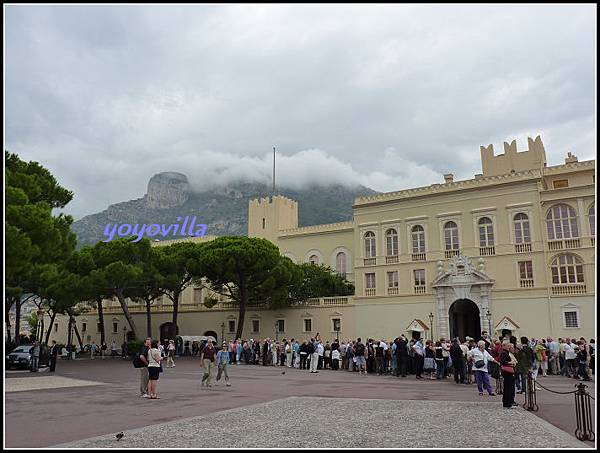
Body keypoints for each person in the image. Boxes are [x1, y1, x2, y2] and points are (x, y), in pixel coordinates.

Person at [499, 340, 518, 408]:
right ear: (504, 346)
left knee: (510, 387)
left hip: (509, 372)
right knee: (508, 387)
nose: (509, 346)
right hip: (507, 372)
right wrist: (511, 362)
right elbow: (503, 361)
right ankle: (507, 403)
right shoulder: (504, 353)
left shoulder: (506, 352)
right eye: (508, 345)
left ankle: (509, 401)